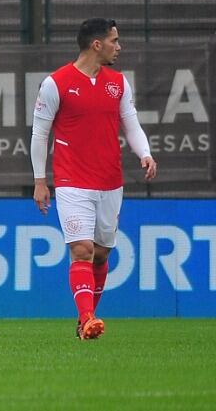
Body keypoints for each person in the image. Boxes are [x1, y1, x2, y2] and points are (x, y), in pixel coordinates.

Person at [31, 17, 157, 341]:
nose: (119, 47)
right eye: (114, 40)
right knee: (82, 249)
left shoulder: (118, 83)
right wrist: (40, 181)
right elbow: (40, 134)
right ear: (96, 44)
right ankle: (88, 318)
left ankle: (84, 320)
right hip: (72, 181)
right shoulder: (56, 83)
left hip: (110, 181)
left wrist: (145, 153)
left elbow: (131, 124)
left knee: (101, 254)